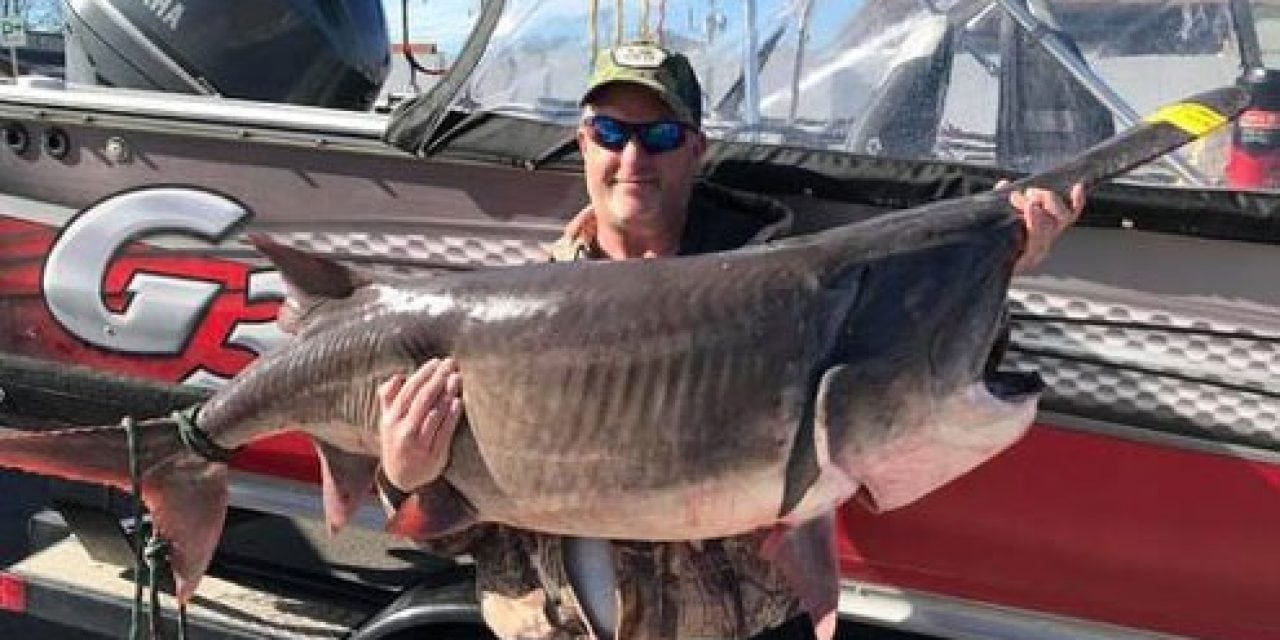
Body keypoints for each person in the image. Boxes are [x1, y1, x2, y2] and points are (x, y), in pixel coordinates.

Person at [375, 41, 1085, 640]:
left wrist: (998, 266)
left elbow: (913, 388)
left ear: (695, 151)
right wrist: (403, 474)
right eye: (611, 133)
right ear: (583, 143)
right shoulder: (510, 316)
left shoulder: (783, 302)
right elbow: (460, 537)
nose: (632, 157)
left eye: (658, 136)